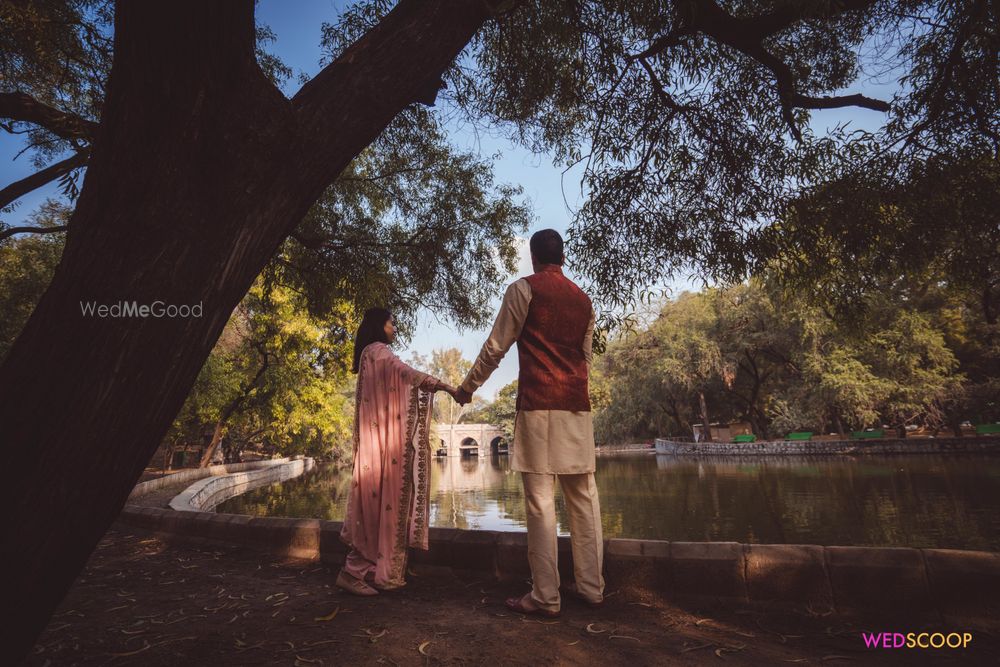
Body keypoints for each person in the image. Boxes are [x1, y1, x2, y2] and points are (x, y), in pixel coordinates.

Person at [454, 229, 604, 617]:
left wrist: (467, 388)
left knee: (540, 504)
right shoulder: (585, 301)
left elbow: (495, 347)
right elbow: (585, 358)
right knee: (584, 499)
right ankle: (591, 588)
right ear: (563, 258)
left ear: (534, 257)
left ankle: (545, 596)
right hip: (577, 409)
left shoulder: (524, 290)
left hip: (539, 406)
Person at [338, 308, 458, 596]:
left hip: (375, 443)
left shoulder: (370, 353)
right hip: (378, 445)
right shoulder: (378, 352)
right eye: (392, 323)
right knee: (375, 505)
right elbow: (406, 374)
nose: (395, 328)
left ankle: (368, 569)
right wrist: (447, 388)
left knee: (376, 505)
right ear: (379, 326)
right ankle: (352, 572)